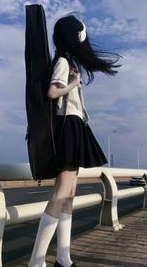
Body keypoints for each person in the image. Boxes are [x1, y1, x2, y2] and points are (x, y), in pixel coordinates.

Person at [28, 14, 120, 267]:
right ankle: (36, 261)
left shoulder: (67, 62)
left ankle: (63, 258)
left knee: (69, 194)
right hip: (67, 125)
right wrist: (74, 83)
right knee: (61, 194)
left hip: (75, 124)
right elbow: (52, 92)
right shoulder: (62, 63)